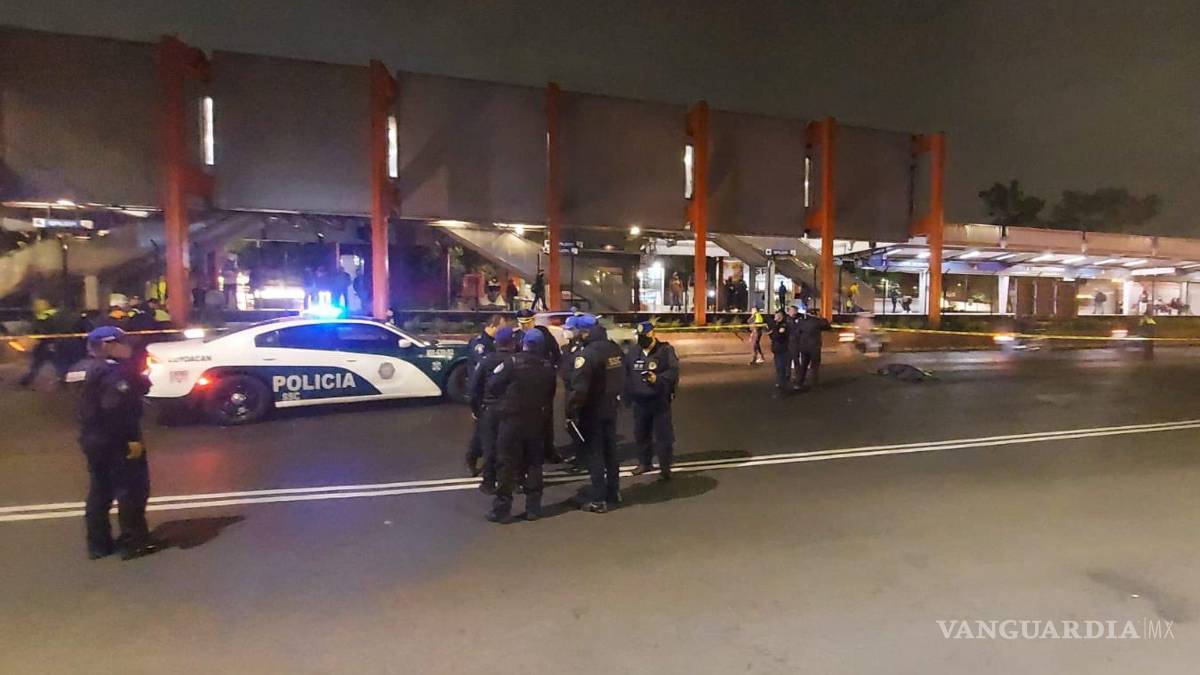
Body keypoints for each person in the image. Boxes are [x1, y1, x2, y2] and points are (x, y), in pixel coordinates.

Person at [77, 327, 157, 560]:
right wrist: (129, 440)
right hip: (117, 439)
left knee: (100, 490)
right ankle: (134, 543)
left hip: (92, 439)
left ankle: (98, 545)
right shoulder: (114, 374)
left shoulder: (89, 368)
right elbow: (115, 409)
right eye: (123, 342)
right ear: (107, 345)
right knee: (131, 489)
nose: (128, 346)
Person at [486, 329, 557, 522]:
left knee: (506, 463)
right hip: (536, 421)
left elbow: (493, 385)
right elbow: (550, 394)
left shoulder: (511, 363)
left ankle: (502, 510)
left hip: (512, 421)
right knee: (534, 464)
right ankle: (533, 508)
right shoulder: (547, 367)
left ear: (523, 343)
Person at [567, 314, 626, 513]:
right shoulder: (614, 348)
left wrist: (571, 410)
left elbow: (579, 388)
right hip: (611, 407)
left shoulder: (588, 354)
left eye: (577, 331)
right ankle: (614, 492)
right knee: (611, 452)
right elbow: (623, 375)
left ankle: (599, 499)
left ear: (585, 332)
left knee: (595, 455)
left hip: (592, 410)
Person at [624, 322, 679, 480]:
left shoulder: (665, 350)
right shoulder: (633, 352)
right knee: (641, 433)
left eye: (646, 335)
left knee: (663, 436)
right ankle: (644, 462)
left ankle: (665, 467)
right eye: (640, 336)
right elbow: (626, 374)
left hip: (659, 400)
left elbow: (673, 371)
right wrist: (626, 395)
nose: (643, 339)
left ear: (653, 333)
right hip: (640, 401)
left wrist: (658, 379)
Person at [467, 325, 517, 493]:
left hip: (489, 409)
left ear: (496, 342)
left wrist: (476, 410)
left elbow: (474, 388)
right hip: (511, 409)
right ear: (512, 343)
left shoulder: (486, 361)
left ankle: (488, 481)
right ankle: (510, 481)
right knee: (510, 446)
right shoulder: (516, 361)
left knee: (490, 446)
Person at [464, 315, 506, 476]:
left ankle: (492, 462)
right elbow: (485, 367)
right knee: (481, 431)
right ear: (493, 326)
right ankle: (472, 458)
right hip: (482, 394)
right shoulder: (480, 344)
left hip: (493, 392)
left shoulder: (493, 342)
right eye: (501, 326)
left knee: (491, 431)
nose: (503, 329)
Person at [558, 314, 588, 473]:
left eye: (570, 329)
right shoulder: (567, 348)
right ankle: (578, 454)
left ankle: (584, 460)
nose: (566, 332)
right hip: (569, 390)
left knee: (580, 426)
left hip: (577, 391)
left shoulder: (582, 348)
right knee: (571, 424)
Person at [792, 308, 831, 390]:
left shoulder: (801, 322)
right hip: (814, 347)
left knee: (803, 365)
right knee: (815, 366)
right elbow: (827, 326)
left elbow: (797, 333)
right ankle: (815, 385)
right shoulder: (818, 321)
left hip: (804, 347)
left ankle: (799, 383)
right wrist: (821, 318)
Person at [767, 309, 791, 396]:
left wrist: (772, 332)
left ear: (780, 317)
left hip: (783, 350)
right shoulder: (776, 325)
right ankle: (780, 385)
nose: (774, 317)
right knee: (778, 369)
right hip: (777, 350)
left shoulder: (783, 325)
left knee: (781, 370)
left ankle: (782, 389)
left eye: (776, 316)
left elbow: (778, 337)